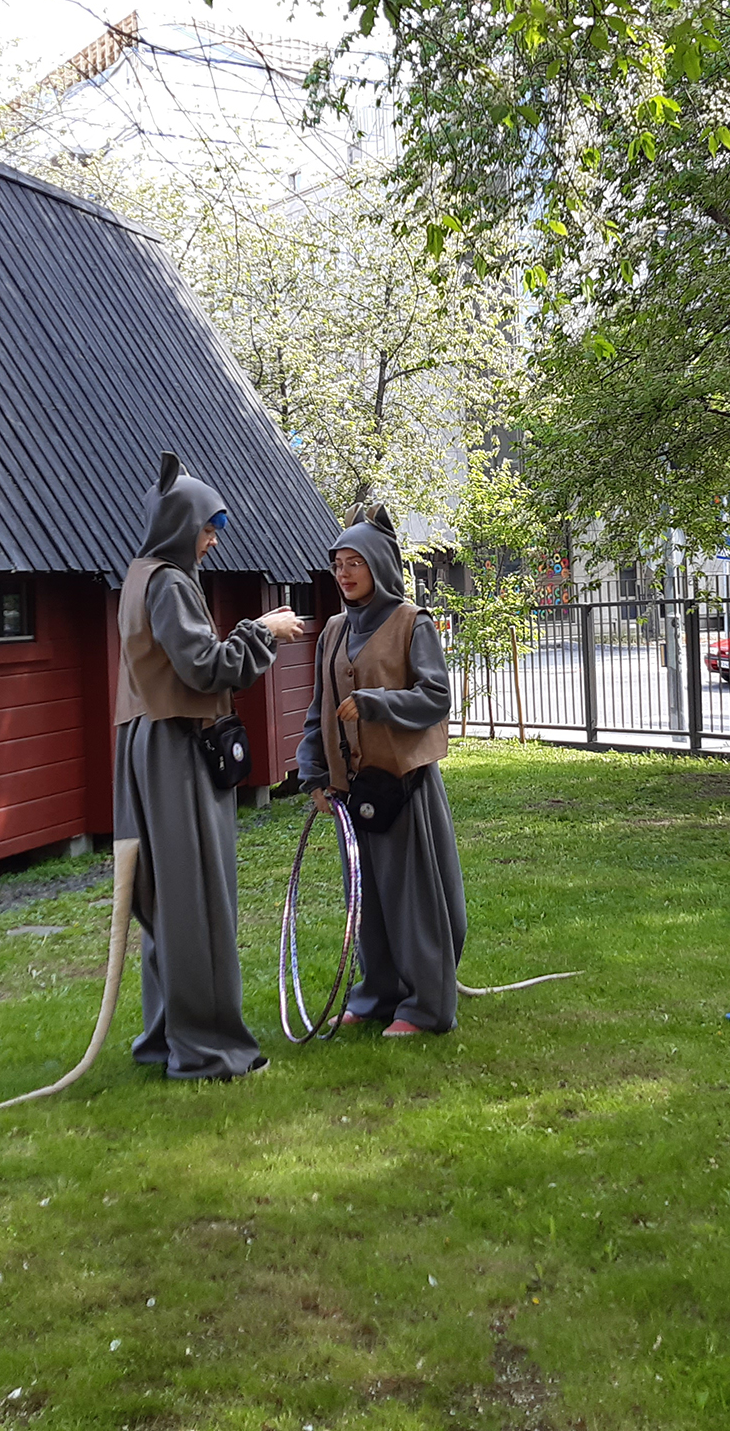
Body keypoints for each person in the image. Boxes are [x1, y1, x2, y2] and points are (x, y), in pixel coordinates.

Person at [117, 452, 304, 1079]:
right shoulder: (168, 581)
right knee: (194, 895)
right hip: (175, 748)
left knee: (168, 898)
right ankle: (209, 1050)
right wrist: (264, 631)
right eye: (208, 525)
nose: (214, 538)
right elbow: (203, 666)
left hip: (149, 744)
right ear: (180, 523)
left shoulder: (140, 575)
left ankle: (168, 1037)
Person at [296, 505, 465, 1036]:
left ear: (380, 567)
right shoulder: (333, 631)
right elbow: (317, 707)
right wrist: (314, 773)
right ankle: (376, 994)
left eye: (355, 563)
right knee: (365, 897)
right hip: (351, 789)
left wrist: (377, 703)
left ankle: (426, 1005)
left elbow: (436, 698)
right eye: (337, 563)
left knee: (413, 898)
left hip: (403, 784)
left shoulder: (413, 623)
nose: (343, 573)